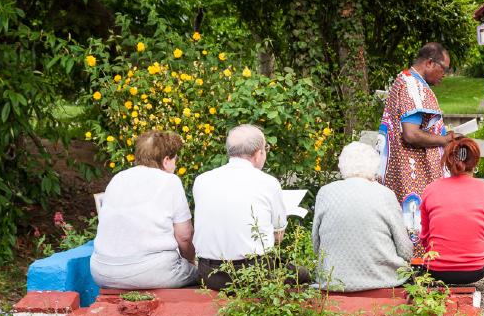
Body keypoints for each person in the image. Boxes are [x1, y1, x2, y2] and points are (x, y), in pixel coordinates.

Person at [192, 124, 308, 291]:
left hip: (210, 275)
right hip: (254, 273)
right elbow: (278, 237)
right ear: (258, 153)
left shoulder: (202, 180)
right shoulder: (268, 182)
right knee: (302, 275)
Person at [89, 131, 199, 289]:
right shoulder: (170, 181)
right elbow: (185, 236)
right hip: (151, 272)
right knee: (201, 275)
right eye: (175, 159)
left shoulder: (118, 178)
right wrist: (189, 261)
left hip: (102, 272)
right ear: (166, 160)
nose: (175, 164)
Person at [419, 138, 484, 316]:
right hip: (474, 272)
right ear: (476, 162)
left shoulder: (430, 190)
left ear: (448, 162)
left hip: (437, 271)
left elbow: (425, 238)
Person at [312, 142, 414, 291]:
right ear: (375, 166)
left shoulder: (325, 193)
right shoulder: (386, 194)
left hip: (332, 281)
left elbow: (316, 244)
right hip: (383, 279)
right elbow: (405, 250)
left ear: (342, 165)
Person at [378, 43, 459, 210]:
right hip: (413, 174)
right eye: (444, 69)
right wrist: (444, 140)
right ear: (429, 63)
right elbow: (411, 134)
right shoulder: (413, 87)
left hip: (404, 172)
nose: (444, 75)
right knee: (415, 224)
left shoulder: (405, 80)